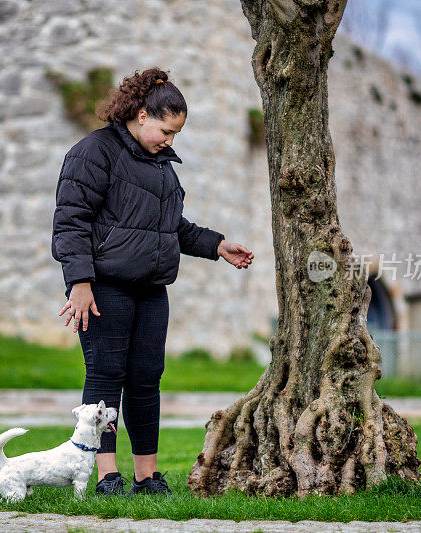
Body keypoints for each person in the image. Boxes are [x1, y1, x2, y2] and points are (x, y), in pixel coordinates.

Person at [51, 67, 254, 496]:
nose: (170, 141)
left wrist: (217, 245)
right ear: (141, 115)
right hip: (105, 286)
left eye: (176, 134)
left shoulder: (162, 166)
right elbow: (71, 223)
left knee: (146, 379)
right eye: (166, 130)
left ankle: (147, 476)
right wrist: (80, 283)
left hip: (151, 290)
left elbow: (170, 228)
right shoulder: (93, 152)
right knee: (105, 377)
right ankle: (106, 476)